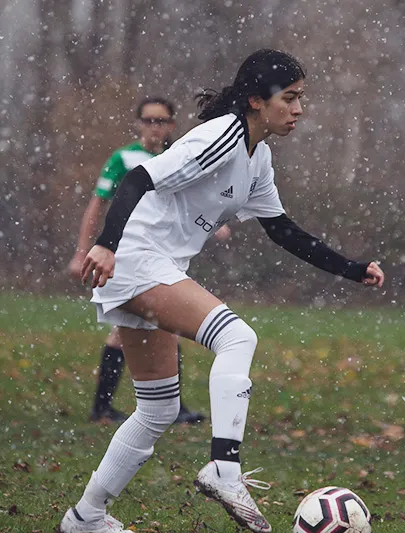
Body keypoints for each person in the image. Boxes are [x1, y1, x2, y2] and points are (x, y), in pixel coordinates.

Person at [58, 48, 385, 533]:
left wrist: (353, 269)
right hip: (136, 259)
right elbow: (138, 178)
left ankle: (85, 518)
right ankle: (224, 471)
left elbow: (283, 230)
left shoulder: (258, 157)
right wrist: (106, 245)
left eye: (301, 98)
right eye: (289, 98)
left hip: (151, 264)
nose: (298, 109)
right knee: (237, 337)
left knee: (158, 410)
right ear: (256, 100)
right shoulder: (223, 135)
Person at [68, 97, 215, 425]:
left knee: (154, 328)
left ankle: (128, 408)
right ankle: (124, 408)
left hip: (163, 255)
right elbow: (97, 204)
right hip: (126, 254)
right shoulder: (124, 159)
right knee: (144, 328)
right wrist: (82, 250)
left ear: (172, 125)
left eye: (161, 121)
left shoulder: (177, 157)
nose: (154, 127)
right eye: (148, 121)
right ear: (138, 124)